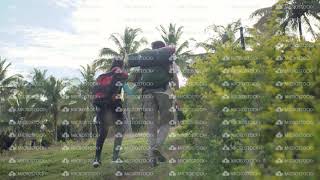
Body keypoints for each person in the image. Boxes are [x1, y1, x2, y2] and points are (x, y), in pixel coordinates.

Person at [141, 41, 179, 167]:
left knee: (151, 127)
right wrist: (177, 91)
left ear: (152, 49)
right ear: (164, 49)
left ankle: (152, 160)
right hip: (163, 92)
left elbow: (137, 79)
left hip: (146, 93)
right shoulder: (167, 59)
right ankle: (157, 146)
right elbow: (174, 76)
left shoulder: (145, 61)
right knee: (166, 122)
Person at [92, 58, 128, 168]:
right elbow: (127, 77)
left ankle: (97, 159)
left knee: (102, 133)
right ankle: (115, 157)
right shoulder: (120, 73)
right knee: (121, 129)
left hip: (101, 106)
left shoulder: (101, 76)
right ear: (121, 66)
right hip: (114, 106)